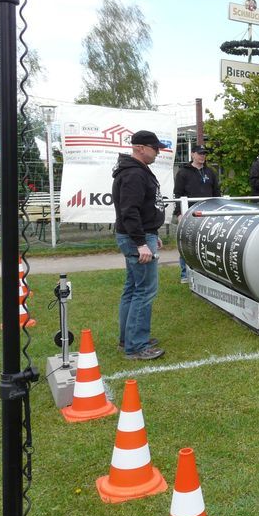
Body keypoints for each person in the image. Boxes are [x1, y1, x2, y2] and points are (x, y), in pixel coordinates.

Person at [112, 130, 166, 361]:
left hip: (142, 234)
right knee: (144, 291)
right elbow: (129, 210)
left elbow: (141, 209)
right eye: (155, 148)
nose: (158, 152)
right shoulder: (134, 173)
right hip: (137, 238)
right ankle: (136, 346)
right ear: (140, 148)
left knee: (133, 288)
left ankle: (128, 339)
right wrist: (141, 242)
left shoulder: (135, 170)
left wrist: (152, 233)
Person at [173, 145, 220, 283]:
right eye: (200, 153)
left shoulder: (210, 172)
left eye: (204, 153)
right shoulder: (183, 173)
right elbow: (178, 194)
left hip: (208, 214)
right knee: (187, 244)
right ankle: (185, 273)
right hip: (190, 214)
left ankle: (206, 273)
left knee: (207, 244)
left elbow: (217, 193)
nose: (202, 156)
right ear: (192, 154)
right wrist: (179, 213)